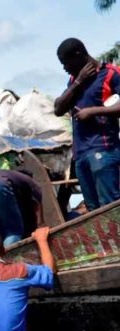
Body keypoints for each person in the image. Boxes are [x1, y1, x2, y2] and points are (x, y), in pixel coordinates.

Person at [54, 38, 120, 211]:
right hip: (80, 155)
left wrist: (93, 111)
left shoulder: (111, 73)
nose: (64, 68)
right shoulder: (74, 81)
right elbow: (58, 109)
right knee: (93, 211)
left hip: (103, 150)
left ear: (78, 55)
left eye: (65, 63)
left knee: (110, 207)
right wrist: (78, 82)